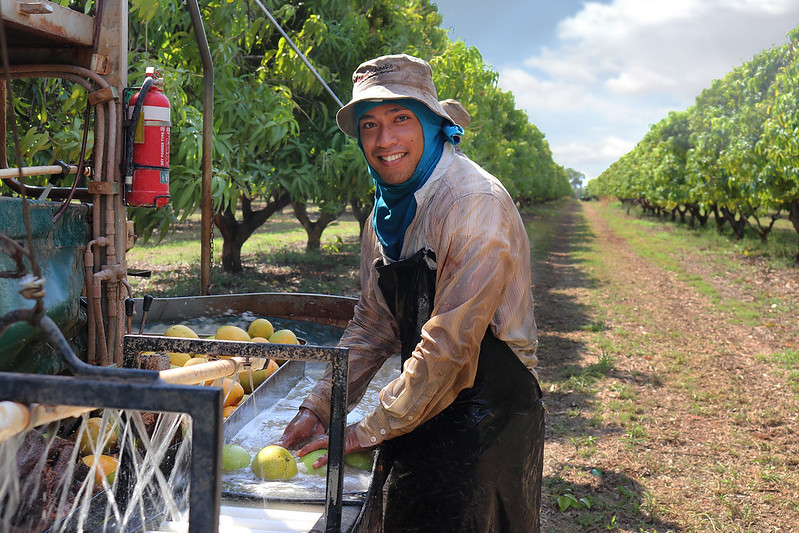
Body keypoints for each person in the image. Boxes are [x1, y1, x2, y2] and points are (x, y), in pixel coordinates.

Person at [279, 53, 544, 532]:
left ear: (429, 123)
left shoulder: (472, 204)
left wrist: (365, 430)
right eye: (369, 125)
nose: (384, 140)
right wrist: (321, 407)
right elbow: (374, 324)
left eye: (401, 118)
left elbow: (451, 343)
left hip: (487, 415)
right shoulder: (382, 217)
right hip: (422, 400)